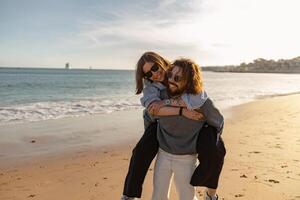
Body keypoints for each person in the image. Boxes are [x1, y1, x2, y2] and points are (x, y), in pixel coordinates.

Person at [121, 52, 225, 200]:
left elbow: (212, 113)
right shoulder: (153, 90)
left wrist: (204, 136)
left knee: (215, 149)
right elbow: (153, 110)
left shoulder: (186, 81)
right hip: (156, 130)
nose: (155, 74)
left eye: (155, 68)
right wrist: (182, 111)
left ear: (162, 62)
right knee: (140, 153)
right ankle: (128, 195)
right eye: (148, 74)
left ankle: (211, 194)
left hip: (186, 154)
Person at [150, 58, 225, 200]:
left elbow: (219, 122)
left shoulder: (201, 103)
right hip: (163, 155)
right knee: (157, 196)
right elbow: (149, 116)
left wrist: (205, 140)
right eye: (170, 75)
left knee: (187, 197)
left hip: (186, 159)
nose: (171, 80)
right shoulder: (161, 96)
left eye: (177, 78)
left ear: (189, 80)